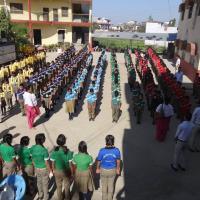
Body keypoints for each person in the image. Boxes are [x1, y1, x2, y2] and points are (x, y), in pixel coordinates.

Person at [96, 135, 121, 200]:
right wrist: (118, 169)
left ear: (106, 141)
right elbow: (118, 161)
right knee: (111, 185)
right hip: (113, 170)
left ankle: (104, 198)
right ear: (113, 142)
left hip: (103, 170)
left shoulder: (102, 151)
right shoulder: (117, 150)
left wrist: (97, 168)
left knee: (104, 185)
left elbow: (99, 161)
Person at [50, 134, 74, 200]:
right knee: (67, 186)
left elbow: (52, 163)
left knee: (58, 186)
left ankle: (60, 198)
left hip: (57, 171)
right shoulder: (68, 152)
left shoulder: (54, 151)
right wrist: (72, 173)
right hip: (66, 171)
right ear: (64, 142)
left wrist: (53, 170)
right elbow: (70, 165)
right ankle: (67, 198)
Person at [30, 133, 50, 200]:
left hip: (36, 168)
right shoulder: (44, 150)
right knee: (45, 184)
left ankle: (40, 195)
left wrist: (34, 165)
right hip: (44, 169)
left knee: (38, 182)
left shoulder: (32, 148)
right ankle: (45, 197)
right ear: (42, 140)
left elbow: (32, 158)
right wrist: (49, 171)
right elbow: (46, 163)